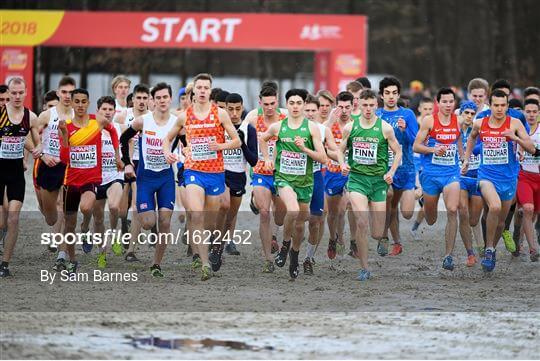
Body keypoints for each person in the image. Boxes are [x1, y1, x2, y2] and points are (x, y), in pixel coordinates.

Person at [162, 74, 241, 281]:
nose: (203, 90)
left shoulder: (221, 114)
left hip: (215, 174)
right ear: (194, 91)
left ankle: (215, 245)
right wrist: (167, 153)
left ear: (210, 91)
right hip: (193, 172)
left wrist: (220, 146)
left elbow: (237, 141)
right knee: (196, 215)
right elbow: (167, 138)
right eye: (200, 87)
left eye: (207, 87)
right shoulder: (184, 116)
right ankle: (204, 263)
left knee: (211, 224)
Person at [462, 89, 535, 272]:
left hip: (509, 179)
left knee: (501, 222)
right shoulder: (480, 123)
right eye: (496, 105)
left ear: (507, 106)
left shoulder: (515, 123)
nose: (499, 109)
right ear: (490, 105)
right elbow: (471, 138)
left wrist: (515, 138)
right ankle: (488, 250)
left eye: (503, 105)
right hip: (486, 176)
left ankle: (491, 249)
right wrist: (466, 159)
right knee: (493, 207)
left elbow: (532, 149)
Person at [259, 88, 327, 279]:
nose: (295, 106)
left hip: (305, 182)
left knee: (300, 225)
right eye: (292, 103)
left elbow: (322, 158)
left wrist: (304, 148)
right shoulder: (278, 127)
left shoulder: (312, 128)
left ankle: (295, 255)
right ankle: (285, 246)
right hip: (284, 179)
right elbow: (262, 139)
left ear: (304, 105)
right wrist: (266, 159)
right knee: (293, 210)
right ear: (286, 105)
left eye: (299, 103)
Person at [55, 88, 122, 274]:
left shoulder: (97, 120)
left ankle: (85, 225)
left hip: (91, 179)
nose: (80, 105)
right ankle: (73, 260)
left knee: (86, 207)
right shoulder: (65, 125)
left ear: (88, 102)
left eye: (84, 101)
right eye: (77, 101)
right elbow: (64, 157)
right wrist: (65, 136)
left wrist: (117, 156)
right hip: (71, 180)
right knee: (69, 224)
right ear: (72, 103)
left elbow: (114, 132)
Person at [339, 89, 402, 280]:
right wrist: (343, 164)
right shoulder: (350, 127)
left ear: (377, 106)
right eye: (364, 105)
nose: (367, 109)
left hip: (378, 182)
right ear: (359, 106)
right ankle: (364, 268)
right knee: (361, 222)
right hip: (357, 180)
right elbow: (340, 149)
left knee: (375, 232)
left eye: (371, 105)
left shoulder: (385, 128)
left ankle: (383, 236)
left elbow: (398, 152)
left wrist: (391, 172)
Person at [120, 82, 177, 277]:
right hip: (145, 178)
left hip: (166, 178)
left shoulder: (177, 123)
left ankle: (156, 263)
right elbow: (123, 138)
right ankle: (148, 216)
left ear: (170, 99)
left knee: (166, 222)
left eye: (165, 97)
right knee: (147, 222)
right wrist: (127, 163)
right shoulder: (143, 121)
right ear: (154, 100)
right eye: (158, 98)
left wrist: (185, 150)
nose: (162, 101)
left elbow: (186, 143)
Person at [413, 87, 462, 270]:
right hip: (431, 174)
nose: (448, 105)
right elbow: (416, 146)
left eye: (451, 102)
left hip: (451, 173)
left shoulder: (458, 121)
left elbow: (459, 139)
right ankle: (427, 201)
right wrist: (434, 149)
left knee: (452, 210)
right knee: (432, 219)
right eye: (444, 102)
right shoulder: (429, 121)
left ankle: (448, 256)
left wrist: (463, 157)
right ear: (438, 102)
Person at [32, 76, 76, 259]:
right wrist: (41, 151)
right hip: (49, 165)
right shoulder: (47, 115)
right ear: (58, 93)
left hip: (69, 166)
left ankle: (62, 253)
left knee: (63, 208)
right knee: (50, 216)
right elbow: (31, 130)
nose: (67, 96)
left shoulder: (78, 115)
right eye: (64, 92)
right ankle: (55, 234)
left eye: (71, 92)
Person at [80, 96, 125, 268]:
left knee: (114, 207)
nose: (107, 112)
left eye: (110, 109)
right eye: (104, 109)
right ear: (98, 111)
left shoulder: (120, 128)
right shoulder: (90, 129)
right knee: (96, 218)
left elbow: (130, 141)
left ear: (114, 111)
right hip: (96, 177)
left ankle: (114, 235)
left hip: (115, 175)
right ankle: (100, 251)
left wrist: (125, 161)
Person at [0, 77, 39, 277]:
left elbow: (35, 142)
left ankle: (5, 264)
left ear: (25, 93)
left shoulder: (30, 117)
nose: (16, 96)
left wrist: (38, 151)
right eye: (13, 93)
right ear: (9, 93)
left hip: (16, 174)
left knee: (14, 217)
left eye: (20, 93)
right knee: (1, 220)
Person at [376, 76, 419, 257]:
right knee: (389, 198)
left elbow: (415, 141)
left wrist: (404, 130)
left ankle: (395, 240)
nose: (391, 96)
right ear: (381, 95)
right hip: (384, 168)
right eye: (387, 93)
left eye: (394, 93)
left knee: (406, 212)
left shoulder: (407, 114)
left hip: (406, 168)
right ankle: (385, 237)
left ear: (399, 94)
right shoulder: (377, 115)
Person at [247, 85, 287, 272]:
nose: (269, 107)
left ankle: (275, 235)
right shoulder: (253, 120)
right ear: (260, 102)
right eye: (266, 104)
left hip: (281, 173)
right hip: (261, 172)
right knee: (264, 213)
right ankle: (268, 259)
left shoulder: (286, 119)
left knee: (280, 216)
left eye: (273, 103)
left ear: (277, 101)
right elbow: (242, 142)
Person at [215, 93, 258, 259]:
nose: (234, 113)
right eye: (230, 109)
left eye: (237, 109)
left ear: (242, 108)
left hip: (238, 175)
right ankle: (215, 242)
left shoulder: (248, 130)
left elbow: (254, 160)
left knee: (231, 215)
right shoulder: (218, 126)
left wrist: (242, 144)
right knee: (222, 207)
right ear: (225, 109)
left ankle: (224, 242)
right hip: (219, 173)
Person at [302, 95, 338, 274]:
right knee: (296, 218)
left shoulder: (324, 130)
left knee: (317, 219)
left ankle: (308, 257)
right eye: (306, 110)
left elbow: (334, 151)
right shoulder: (289, 128)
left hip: (316, 175)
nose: (309, 114)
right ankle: (292, 249)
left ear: (318, 112)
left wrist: (340, 159)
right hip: (295, 177)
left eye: (312, 111)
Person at [116, 84, 150, 261]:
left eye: (145, 98)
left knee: (137, 206)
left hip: (143, 163)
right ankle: (122, 226)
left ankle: (131, 250)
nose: (142, 102)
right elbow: (116, 139)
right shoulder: (123, 115)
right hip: (124, 162)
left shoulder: (153, 118)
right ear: (133, 99)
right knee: (120, 207)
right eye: (139, 98)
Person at [323, 91, 354, 260]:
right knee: (333, 212)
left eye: (347, 107)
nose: (343, 110)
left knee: (344, 208)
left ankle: (343, 239)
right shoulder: (329, 125)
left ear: (352, 107)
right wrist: (329, 121)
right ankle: (332, 238)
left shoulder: (356, 125)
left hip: (350, 173)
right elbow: (322, 143)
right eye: (340, 107)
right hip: (332, 171)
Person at [457, 101, 482, 266]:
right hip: (460, 179)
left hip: (478, 177)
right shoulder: (454, 131)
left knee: (474, 220)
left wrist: (469, 150)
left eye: (472, 114)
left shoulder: (479, 131)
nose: (469, 116)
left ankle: (482, 248)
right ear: (461, 114)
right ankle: (470, 253)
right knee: (463, 212)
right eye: (466, 113)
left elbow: (484, 148)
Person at [516, 98, 540, 261]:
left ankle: (519, 238)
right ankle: (532, 250)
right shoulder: (517, 130)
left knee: (535, 213)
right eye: (528, 111)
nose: (531, 115)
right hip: (524, 177)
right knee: (528, 209)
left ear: (538, 114)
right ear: (524, 113)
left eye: (534, 112)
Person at [410, 97, 434, 241]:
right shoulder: (414, 123)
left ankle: (415, 227)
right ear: (419, 109)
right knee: (411, 195)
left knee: (426, 202)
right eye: (425, 109)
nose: (428, 112)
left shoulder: (434, 124)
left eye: (430, 109)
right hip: (412, 164)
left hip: (427, 164)